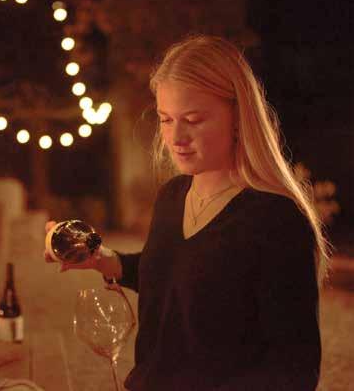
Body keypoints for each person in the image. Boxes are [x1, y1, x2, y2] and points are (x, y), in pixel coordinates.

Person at [44, 34, 329, 390]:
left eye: (193, 119)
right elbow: (176, 275)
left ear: (238, 118)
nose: (176, 137)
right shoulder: (173, 196)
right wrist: (105, 260)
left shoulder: (275, 220)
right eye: (166, 119)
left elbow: (295, 371)